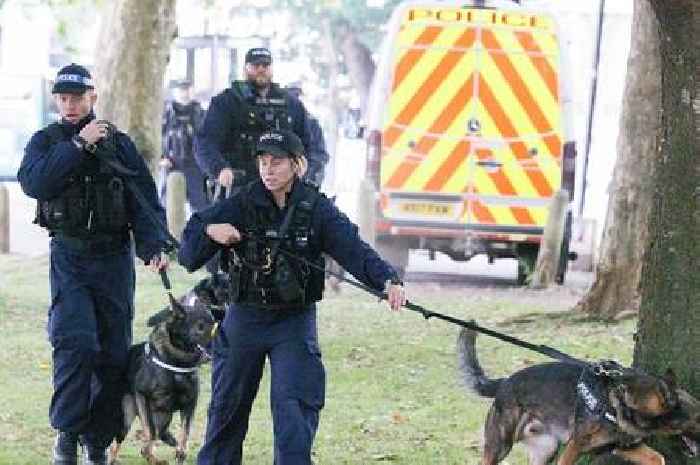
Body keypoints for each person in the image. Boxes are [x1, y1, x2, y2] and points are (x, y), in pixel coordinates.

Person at [178, 129, 406, 465]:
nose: (268, 170)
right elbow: (189, 248)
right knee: (227, 411)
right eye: (263, 162)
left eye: (277, 162)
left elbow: (353, 248)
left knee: (294, 414)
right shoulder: (242, 202)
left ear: (297, 165)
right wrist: (212, 232)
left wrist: (387, 280)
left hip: (293, 322)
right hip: (245, 317)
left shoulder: (316, 208)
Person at [17, 63, 170, 465]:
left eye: (77, 98)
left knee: (113, 352)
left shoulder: (117, 143)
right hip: (70, 256)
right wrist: (77, 146)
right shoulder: (47, 141)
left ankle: (98, 441)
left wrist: (154, 244)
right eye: (63, 99)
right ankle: (67, 435)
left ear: (93, 98)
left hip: (113, 258)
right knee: (75, 343)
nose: (69, 105)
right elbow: (34, 182)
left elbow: (143, 196)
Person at [195, 47, 329, 195]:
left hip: (282, 188)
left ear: (271, 69)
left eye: (265, 65)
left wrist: (305, 170)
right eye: (255, 66)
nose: (260, 70)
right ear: (245, 69)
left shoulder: (291, 104)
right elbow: (205, 142)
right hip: (239, 186)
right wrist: (219, 169)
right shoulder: (227, 102)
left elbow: (310, 146)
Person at [159, 79, 208, 212]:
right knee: (167, 208)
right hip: (171, 165)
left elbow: (208, 141)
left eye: (187, 89)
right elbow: (156, 137)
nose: (184, 93)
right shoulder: (164, 115)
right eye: (181, 89)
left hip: (195, 167)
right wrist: (161, 158)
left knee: (200, 208)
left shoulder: (202, 114)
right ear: (174, 92)